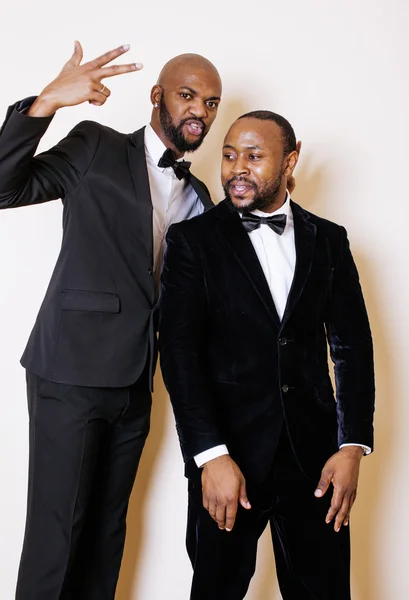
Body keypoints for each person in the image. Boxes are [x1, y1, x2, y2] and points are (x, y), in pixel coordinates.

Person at [0, 41, 222, 600]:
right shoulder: (95, 147)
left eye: (211, 102)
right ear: (157, 97)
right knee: (57, 536)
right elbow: (5, 187)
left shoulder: (201, 196)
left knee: (105, 537)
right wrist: (45, 104)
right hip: (70, 372)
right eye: (187, 95)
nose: (199, 110)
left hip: (136, 384)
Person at [159, 110, 375, 600]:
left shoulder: (330, 240)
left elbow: (352, 349)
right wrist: (210, 455)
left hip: (316, 463)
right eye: (230, 155)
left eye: (254, 157)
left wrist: (352, 445)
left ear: (290, 160)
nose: (237, 167)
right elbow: (178, 355)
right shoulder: (193, 240)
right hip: (228, 459)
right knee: (216, 589)